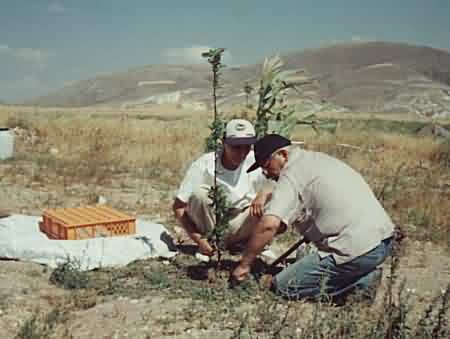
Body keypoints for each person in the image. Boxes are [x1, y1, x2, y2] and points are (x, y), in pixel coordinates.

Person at [232, 134, 394, 301]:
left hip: (357, 251)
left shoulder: (290, 174)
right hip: (383, 241)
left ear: (283, 155)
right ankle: (359, 274)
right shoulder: (317, 160)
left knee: (283, 286)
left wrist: (244, 265)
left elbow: (269, 225)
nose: (266, 172)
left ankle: (362, 285)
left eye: (266, 165)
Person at [173, 119, 273, 256]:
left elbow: (279, 182)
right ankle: (213, 244)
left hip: (242, 221)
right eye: (236, 147)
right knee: (199, 194)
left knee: (273, 200)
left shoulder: (255, 160)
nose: (242, 153)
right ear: (223, 142)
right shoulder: (205, 164)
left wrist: (263, 194)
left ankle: (253, 244)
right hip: (213, 223)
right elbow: (179, 206)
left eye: (247, 146)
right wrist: (198, 240)